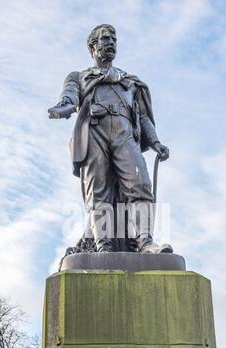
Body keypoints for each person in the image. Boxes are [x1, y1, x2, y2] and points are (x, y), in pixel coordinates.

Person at [49, 24, 172, 254]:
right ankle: (102, 247)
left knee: (141, 184)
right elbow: (68, 97)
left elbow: (144, 117)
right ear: (92, 47)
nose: (111, 43)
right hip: (95, 131)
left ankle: (145, 243)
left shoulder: (129, 81)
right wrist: (62, 108)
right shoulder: (79, 76)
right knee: (98, 192)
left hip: (124, 134)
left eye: (114, 39)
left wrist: (155, 142)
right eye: (105, 39)